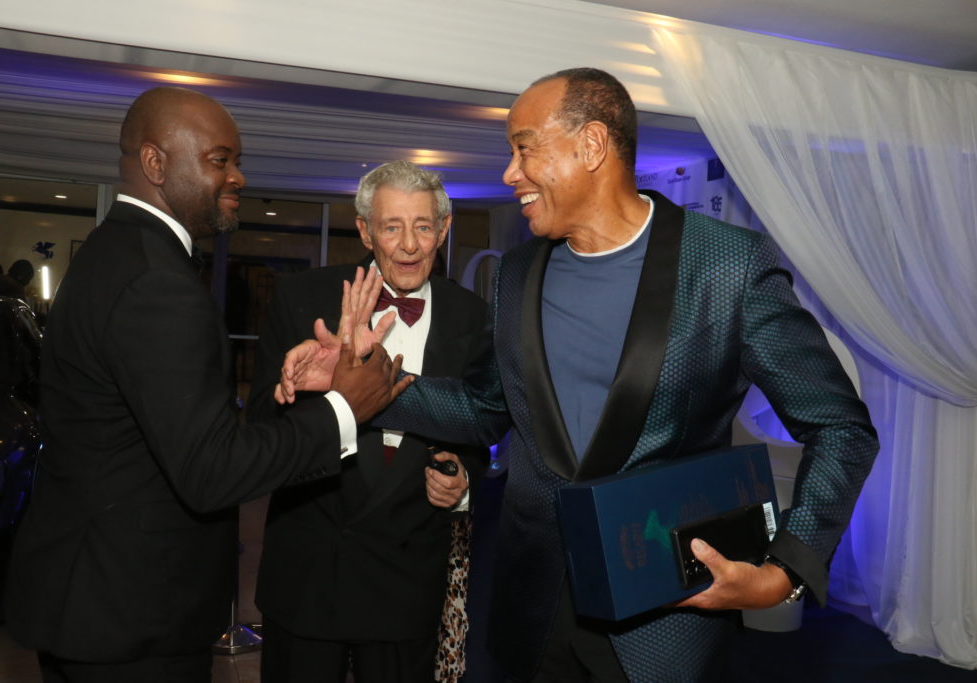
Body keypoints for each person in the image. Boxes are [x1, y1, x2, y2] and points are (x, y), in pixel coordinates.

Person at [279, 68, 879, 682]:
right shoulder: (517, 274)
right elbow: (484, 408)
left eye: (523, 148)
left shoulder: (726, 267)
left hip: (664, 615)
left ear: (591, 146)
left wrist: (785, 570)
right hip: (534, 610)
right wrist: (361, 382)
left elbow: (840, 428)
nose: (509, 173)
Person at [3, 86, 410, 683]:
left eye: (236, 160)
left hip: (96, 598)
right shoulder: (155, 281)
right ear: (155, 162)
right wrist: (343, 410)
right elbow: (210, 470)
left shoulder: (116, 250)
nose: (238, 176)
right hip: (130, 614)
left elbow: (156, 426)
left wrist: (309, 392)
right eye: (220, 160)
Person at [249, 161, 490, 683]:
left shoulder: (473, 317)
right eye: (392, 227)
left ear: (444, 229)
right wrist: (322, 384)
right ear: (364, 231)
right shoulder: (303, 298)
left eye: (423, 226)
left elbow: (479, 421)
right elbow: (261, 429)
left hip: (407, 578)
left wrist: (463, 480)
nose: (409, 245)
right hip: (310, 574)